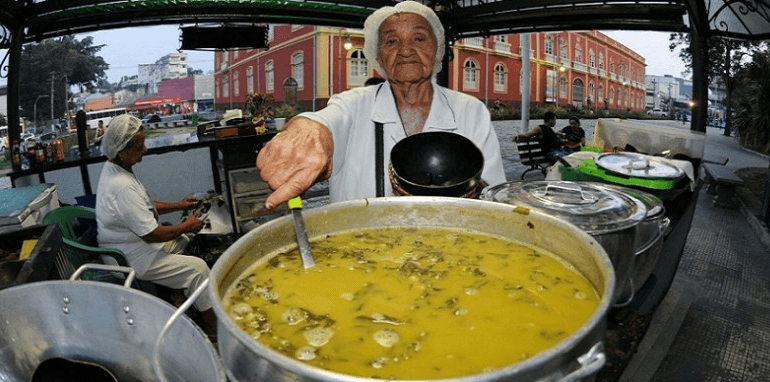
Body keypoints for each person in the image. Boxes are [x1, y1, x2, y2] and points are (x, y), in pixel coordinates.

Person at [256, 0, 506, 209]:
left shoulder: (471, 111)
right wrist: (307, 130)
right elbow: (325, 122)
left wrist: (471, 189)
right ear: (378, 57)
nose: (406, 50)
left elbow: (494, 193)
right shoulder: (352, 105)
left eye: (419, 38)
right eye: (391, 41)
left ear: (437, 50)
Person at [95, 114, 215, 336]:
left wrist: (179, 205)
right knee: (198, 269)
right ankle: (212, 328)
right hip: (131, 257)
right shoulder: (121, 186)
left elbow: (145, 207)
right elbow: (152, 234)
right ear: (122, 152)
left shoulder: (115, 168)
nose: (145, 150)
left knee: (186, 239)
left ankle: (179, 296)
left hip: (133, 246)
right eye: (140, 147)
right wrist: (188, 225)